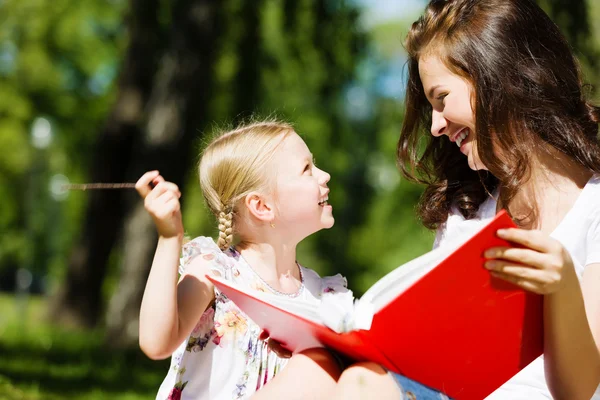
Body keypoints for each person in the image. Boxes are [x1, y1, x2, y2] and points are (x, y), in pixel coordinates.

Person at [298, 0, 600, 399]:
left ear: (500, 78)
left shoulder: (592, 210)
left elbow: (578, 391)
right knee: (323, 368)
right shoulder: (467, 213)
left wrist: (562, 287)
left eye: (442, 99)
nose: (436, 125)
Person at [136, 121, 347, 400]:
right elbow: (156, 342)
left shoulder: (322, 296)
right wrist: (168, 238)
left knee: (328, 368)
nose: (325, 175)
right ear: (262, 206)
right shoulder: (216, 272)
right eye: (307, 169)